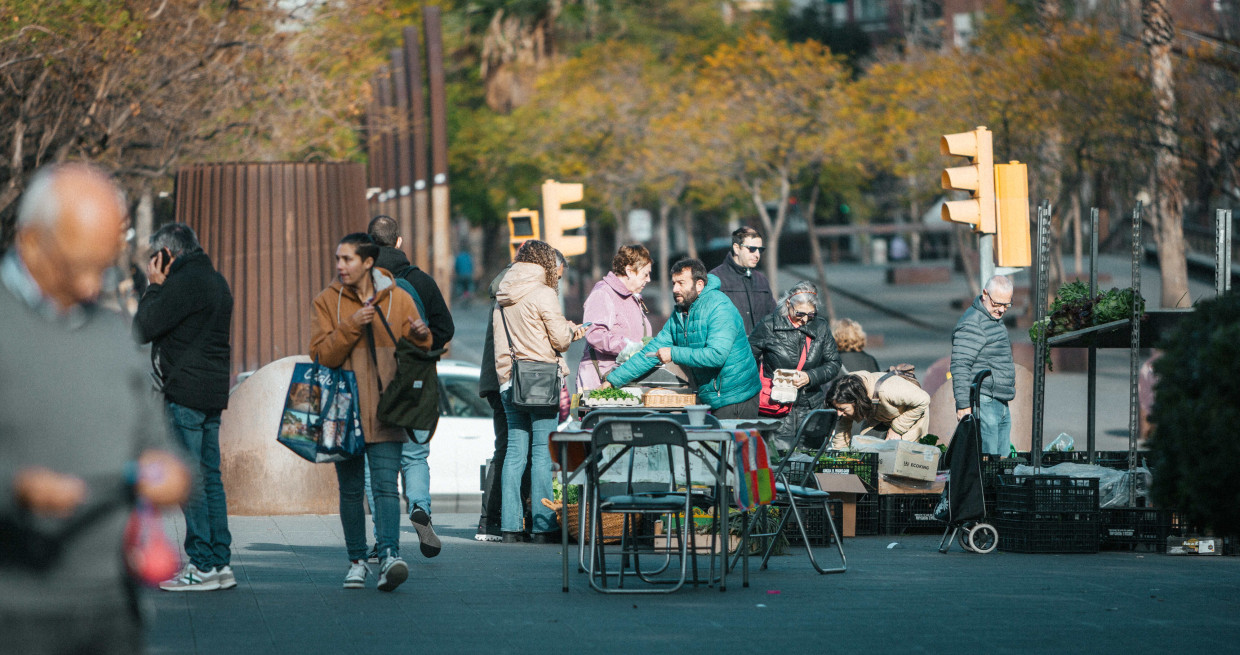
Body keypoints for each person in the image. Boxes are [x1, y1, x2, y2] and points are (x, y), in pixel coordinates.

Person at [1, 163, 191, 652]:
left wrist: (169, 471)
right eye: (77, 266)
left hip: (111, 609)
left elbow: (155, 442)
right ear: (30, 242)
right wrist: (17, 486)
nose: (92, 287)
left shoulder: (109, 334)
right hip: (16, 609)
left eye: (102, 267)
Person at [310, 233, 432, 591]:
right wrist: (352, 325)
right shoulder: (326, 302)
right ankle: (356, 561)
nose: (339, 266)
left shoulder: (399, 299)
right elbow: (321, 356)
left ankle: (390, 556)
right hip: (342, 412)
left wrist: (422, 336)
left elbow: (418, 351)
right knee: (350, 491)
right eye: (338, 258)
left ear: (367, 262)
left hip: (386, 411)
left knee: (385, 488)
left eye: (347, 259)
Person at [133, 223, 235, 592]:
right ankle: (220, 563)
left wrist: (153, 287)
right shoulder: (216, 281)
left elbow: (141, 329)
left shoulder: (180, 283)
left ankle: (202, 564)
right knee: (211, 478)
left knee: (190, 480)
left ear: (165, 254)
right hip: (212, 393)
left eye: (153, 256)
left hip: (185, 394)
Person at [366, 215, 454, 559]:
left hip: (374, 383)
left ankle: (382, 539)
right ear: (399, 242)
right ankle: (419, 506)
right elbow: (445, 328)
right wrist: (425, 351)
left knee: (379, 463)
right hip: (415, 380)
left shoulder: (363, 283)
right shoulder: (421, 281)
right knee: (415, 455)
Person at [491, 240, 587, 543]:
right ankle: (543, 526)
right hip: (541, 381)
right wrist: (572, 330)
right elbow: (559, 340)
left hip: (509, 379)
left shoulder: (502, 292)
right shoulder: (543, 293)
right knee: (541, 455)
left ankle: (510, 526)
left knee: (514, 454)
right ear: (546, 263)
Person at [605, 258, 761, 419]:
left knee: (731, 444)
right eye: (673, 283)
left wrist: (673, 353)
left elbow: (716, 356)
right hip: (712, 396)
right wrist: (613, 381)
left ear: (699, 285)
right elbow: (650, 352)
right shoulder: (679, 315)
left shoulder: (720, 307)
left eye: (681, 283)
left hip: (737, 396)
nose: (675, 289)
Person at [748, 281, 841, 450]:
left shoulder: (821, 327)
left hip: (810, 408)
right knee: (778, 462)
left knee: (808, 462)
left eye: (811, 315)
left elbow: (834, 363)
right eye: (800, 313)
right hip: (776, 406)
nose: (805, 319)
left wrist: (810, 377)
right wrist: (759, 388)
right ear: (789, 304)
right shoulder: (769, 326)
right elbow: (748, 360)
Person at [951, 275, 1017, 456]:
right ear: (985, 294)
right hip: (985, 399)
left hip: (1000, 398)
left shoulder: (992, 318)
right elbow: (960, 365)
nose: (1002, 310)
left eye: (1007, 305)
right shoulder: (973, 323)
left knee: (1002, 461)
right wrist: (963, 404)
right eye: (997, 304)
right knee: (988, 461)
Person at [576, 244, 653, 392]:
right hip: (601, 381)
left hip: (624, 380)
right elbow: (594, 334)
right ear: (629, 271)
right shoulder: (603, 293)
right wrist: (627, 346)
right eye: (645, 274)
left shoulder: (632, 297)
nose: (648, 279)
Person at [827, 372, 931, 448]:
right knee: (865, 447)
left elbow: (924, 399)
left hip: (910, 413)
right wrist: (841, 454)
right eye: (836, 409)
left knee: (902, 456)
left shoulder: (888, 390)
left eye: (842, 409)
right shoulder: (844, 390)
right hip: (880, 414)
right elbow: (842, 428)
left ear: (856, 402)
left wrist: (897, 429)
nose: (839, 413)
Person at [710, 226, 776, 335]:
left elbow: (773, 317)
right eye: (752, 249)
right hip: (731, 350)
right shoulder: (714, 279)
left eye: (760, 250)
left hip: (761, 351)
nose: (757, 255)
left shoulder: (762, 280)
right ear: (736, 248)